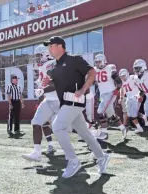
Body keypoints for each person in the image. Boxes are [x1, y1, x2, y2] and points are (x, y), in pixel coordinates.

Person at [43, 36, 110, 178]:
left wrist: (84, 88)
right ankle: (102, 156)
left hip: (75, 100)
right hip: (65, 103)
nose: (49, 48)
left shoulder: (74, 59)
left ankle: (73, 161)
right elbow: (55, 84)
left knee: (57, 126)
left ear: (61, 46)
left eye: (52, 45)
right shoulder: (54, 66)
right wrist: (45, 85)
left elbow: (92, 72)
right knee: (85, 134)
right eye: (48, 46)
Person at [21, 44, 57, 162]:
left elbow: (55, 84)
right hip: (47, 100)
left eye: (38, 55)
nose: (36, 58)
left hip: (58, 100)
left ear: (45, 54)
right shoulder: (43, 67)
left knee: (68, 128)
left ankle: (92, 139)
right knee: (36, 123)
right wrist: (40, 97)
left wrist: (43, 90)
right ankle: (37, 152)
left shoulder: (52, 64)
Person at [93, 54, 127, 140]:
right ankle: (123, 128)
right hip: (102, 94)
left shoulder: (110, 68)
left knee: (100, 111)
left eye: (99, 62)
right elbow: (96, 83)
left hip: (110, 93)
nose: (97, 64)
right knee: (111, 114)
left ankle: (104, 133)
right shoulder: (95, 70)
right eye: (96, 62)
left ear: (104, 61)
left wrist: (116, 91)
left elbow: (119, 82)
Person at [118, 68, 148, 133]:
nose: (122, 78)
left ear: (127, 74)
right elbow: (122, 89)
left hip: (136, 97)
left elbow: (140, 83)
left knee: (133, 115)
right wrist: (121, 97)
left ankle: (139, 128)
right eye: (121, 76)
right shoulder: (122, 81)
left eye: (123, 76)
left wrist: (140, 95)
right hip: (129, 99)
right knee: (130, 114)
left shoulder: (132, 78)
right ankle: (144, 117)